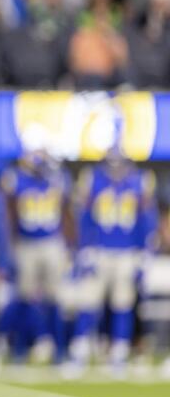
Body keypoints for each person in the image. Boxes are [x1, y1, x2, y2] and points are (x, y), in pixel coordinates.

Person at [69, 148, 157, 375]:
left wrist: (144, 253)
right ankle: (80, 350)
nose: (116, 169)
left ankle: (119, 351)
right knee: (88, 303)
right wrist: (85, 249)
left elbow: (146, 221)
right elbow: (85, 217)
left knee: (123, 304)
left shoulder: (140, 183)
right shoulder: (93, 180)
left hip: (127, 253)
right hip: (100, 251)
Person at [0, 146, 73, 364]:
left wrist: (70, 245)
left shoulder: (58, 179)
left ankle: (59, 349)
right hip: (26, 242)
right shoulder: (16, 179)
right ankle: (20, 348)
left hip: (51, 241)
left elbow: (67, 214)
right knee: (24, 296)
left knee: (54, 297)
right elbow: (9, 214)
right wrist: (10, 245)